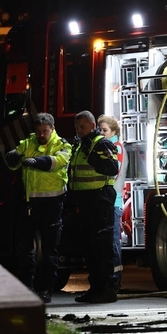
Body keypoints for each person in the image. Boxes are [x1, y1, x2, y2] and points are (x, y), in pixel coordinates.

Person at [4, 113, 72, 304]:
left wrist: (37, 162)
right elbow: (13, 162)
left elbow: (57, 162)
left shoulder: (62, 145)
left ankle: (46, 290)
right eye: (39, 131)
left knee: (50, 251)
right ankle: (27, 288)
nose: (42, 134)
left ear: (52, 129)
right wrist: (13, 156)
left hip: (52, 204)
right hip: (29, 204)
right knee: (25, 249)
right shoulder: (28, 143)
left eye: (45, 131)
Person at [66, 110, 122, 303]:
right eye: (76, 127)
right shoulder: (80, 144)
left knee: (101, 248)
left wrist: (93, 156)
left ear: (92, 125)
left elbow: (112, 168)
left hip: (99, 200)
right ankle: (95, 289)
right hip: (85, 202)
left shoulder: (101, 143)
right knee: (90, 248)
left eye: (82, 127)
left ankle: (106, 290)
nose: (79, 131)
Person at [97, 114, 127, 267]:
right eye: (100, 130)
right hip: (107, 201)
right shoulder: (107, 147)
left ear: (114, 132)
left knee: (113, 241)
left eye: (105, 130)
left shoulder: (117, 148)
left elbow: (114, 172)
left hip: (113, 202)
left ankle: (115, 280)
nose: (101, 133)